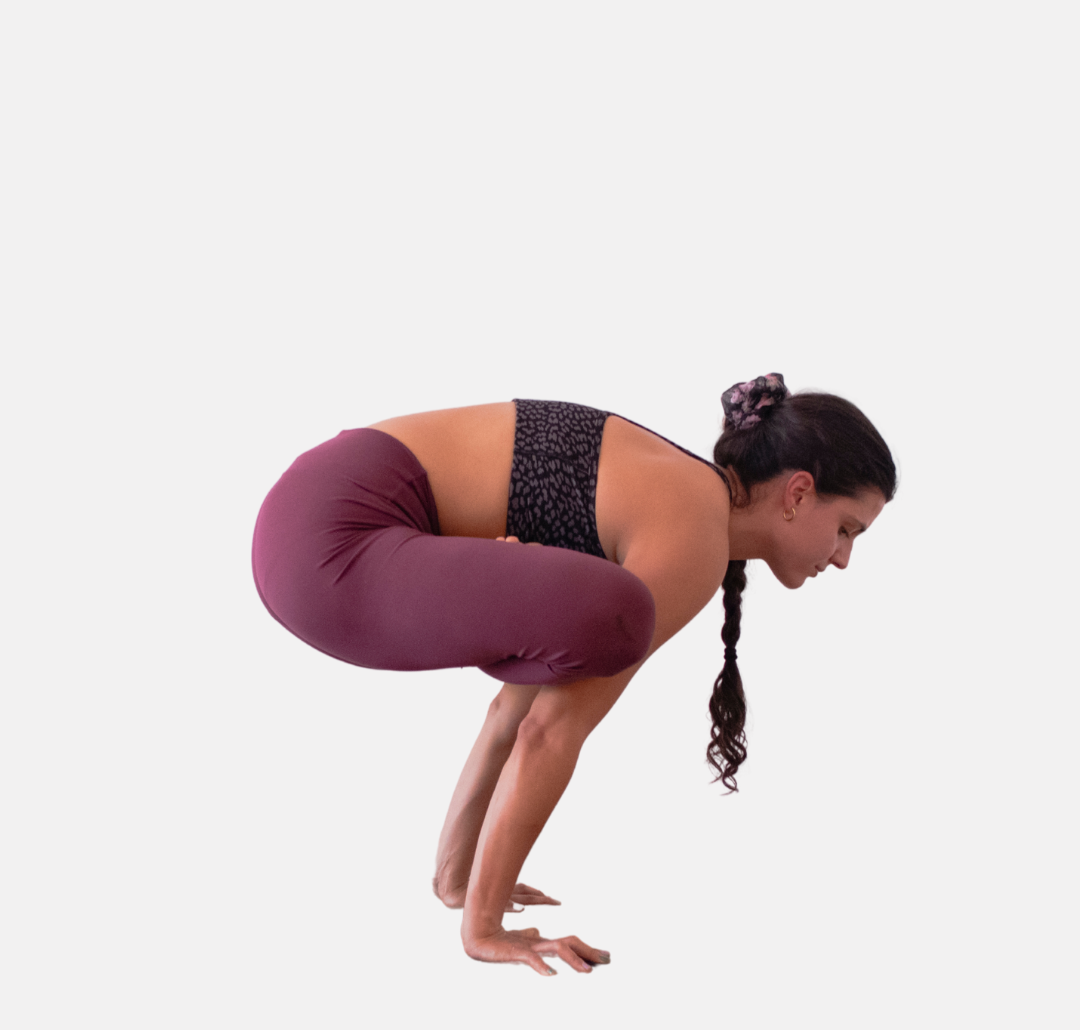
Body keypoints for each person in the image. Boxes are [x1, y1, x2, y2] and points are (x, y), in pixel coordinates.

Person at [251, 375, 897, 977]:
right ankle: (476, 919)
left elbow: (512, 714)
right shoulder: (693, 532)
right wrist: (486, 928)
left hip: (309, 523)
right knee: (618, 618)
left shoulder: (676, 492)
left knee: (592, 620)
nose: (842, 558)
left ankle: (457, 885)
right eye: (846, 529)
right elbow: (550, 733)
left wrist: (462, 881)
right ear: (798, 493)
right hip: (333, 543)